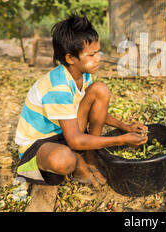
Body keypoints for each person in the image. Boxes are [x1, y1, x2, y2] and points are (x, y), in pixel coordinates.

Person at [14, 14, 148, 187]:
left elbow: (95, 113)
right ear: (70, 58)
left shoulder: (83, 76)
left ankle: (91, 155)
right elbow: (75, 140)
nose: (98, 58)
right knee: (64, 160)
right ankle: (78, 163)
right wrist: (122, 139)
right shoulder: (58, 87)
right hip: (38, 145)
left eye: (98, 52)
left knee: (100, 89)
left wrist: (125, 127)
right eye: (91, 55)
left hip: (66, 133)